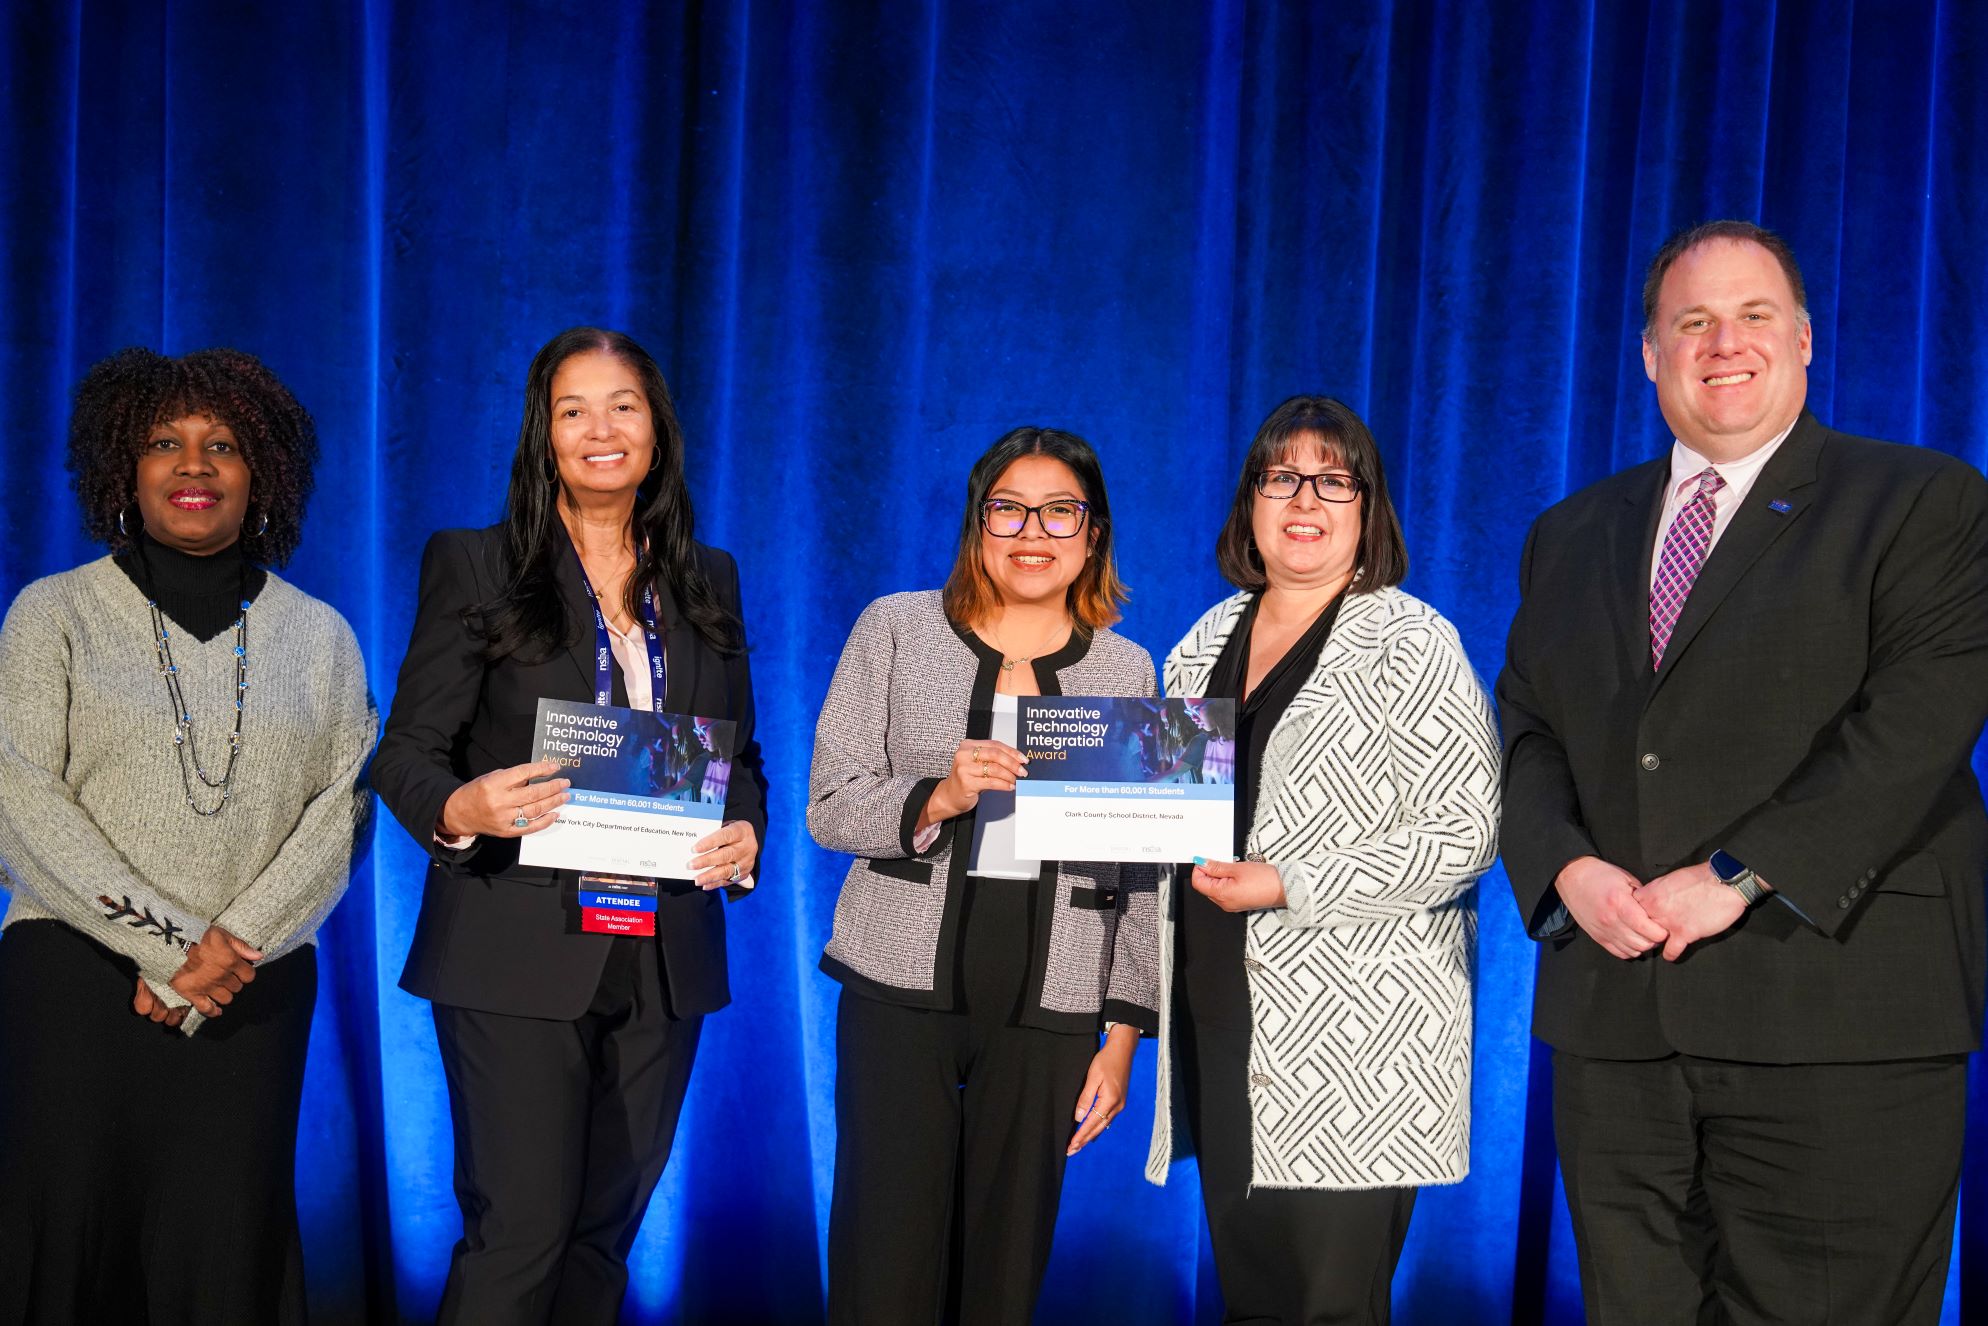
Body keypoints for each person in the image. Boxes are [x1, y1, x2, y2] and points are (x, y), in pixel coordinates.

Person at [1498, 220, 1988, 1323]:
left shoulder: (1922, 502)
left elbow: (1912, 728)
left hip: (1834, 1016)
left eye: (1752, 316)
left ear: (1803, 340)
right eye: (1692, 322)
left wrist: (1734, 874)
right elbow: (1524, 728)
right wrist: (1564, 870)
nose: (1723, 343)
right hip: (1616, 1028)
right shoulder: (1567, 533)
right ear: (1648, 354)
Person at [371, 327, 766, 1326]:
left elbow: (742, 763)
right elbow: (407, 752)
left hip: (663, 951)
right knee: (521, 1234)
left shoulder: (706, 578)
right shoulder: (476, 564)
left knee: (600, 1245)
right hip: (515, 942)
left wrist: (746, 834)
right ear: (542, 434)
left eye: (623, 406)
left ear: (657, 429)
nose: (601, 429)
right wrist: (460, 809)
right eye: (573, 409)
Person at [0, 347, 375, 1325]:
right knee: (71, 1238)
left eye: (223, 446)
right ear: (123, 468)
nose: (194, 464)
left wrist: (229, 949)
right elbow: (20, 797)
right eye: (165, 443)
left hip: (249, 989)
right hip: (76, 980)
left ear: (264, 477)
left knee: (222, 1245)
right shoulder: (53, 615)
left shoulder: (324, 636)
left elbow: (344, 811)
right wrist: (173, 949)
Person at [1142, 395, 1500, 1324]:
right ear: (1250, 504)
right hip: (1223, 1026)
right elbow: (1157, 821)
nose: (1306, 499)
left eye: (1333, 480)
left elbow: (1464, 832)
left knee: (1333, 1309)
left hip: (1357, 1049)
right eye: (1282, 478)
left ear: (1367, 507)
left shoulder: (1410, 640)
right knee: (1253, 1303)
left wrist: (1288, 880)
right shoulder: (1199, 644)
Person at [808, 427, 1159, 1326]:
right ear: (977, 525)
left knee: (1002, 1280)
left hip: (1050, 1010)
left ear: (1093, 533)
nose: (1031, 531)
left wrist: (1121, 1037)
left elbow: (1145, 871)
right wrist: (938, 795)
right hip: (898, 996)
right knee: (880, 1268)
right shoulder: (894, 627)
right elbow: (829, 806)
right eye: (1008, 508)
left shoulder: (1127, 669)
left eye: (1059, 511)